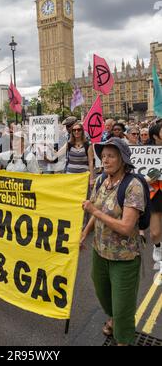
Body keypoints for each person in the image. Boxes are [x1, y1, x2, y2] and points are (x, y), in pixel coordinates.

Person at [81, 138, 145, 346]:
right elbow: (95, 209)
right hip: (99, 252)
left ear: (123, 160)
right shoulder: (102, 180)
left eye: (111, 156)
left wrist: (95, 211)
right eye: (104, 156)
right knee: (103, 292)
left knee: (123, 306)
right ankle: (113, 317)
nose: (105, 160)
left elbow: (126, 227)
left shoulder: (132, 185)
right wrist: (84, 233)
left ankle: (123, 339)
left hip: (124, 258)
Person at [65, 122, 95, 187]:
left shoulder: (88, 144)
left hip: (83, 177)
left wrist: (91, 179)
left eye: (79, 129)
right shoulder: (69, 144)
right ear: (72, 132)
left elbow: (91, 162)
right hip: (70, 176)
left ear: (82, 131)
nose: (76, 131)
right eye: (74, 130)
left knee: (83, 196)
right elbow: (57, 154)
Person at [149, 122, 162, 263]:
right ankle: (157, 245)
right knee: (155, 233)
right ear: (155, 136)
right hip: (155, 193)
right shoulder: (146, 152)